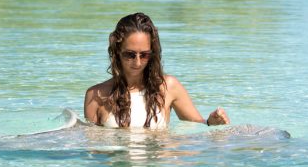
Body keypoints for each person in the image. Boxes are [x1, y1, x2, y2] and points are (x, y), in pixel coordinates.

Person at [84, 12, 229, 129]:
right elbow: (93, 150)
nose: (138, 62)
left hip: (159, 163)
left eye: (145, 55)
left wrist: (211, 123)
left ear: (153, 54)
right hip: (116, 164)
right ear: (117, 52)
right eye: (130, 54)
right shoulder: (95, 96)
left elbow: (198, 124)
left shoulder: (169, 86)